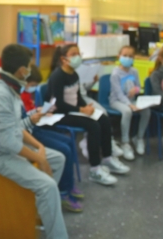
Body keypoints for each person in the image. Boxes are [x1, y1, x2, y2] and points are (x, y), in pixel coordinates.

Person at [0, 44, 69, 239]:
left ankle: (37, 213)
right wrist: (40, 160)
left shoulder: (8, 88)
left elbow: (16, 127)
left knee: (58, 159)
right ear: (21, 71)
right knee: (48, 186)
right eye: (29, 65)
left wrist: (40, 148)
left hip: (8, 146)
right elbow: (9, 143)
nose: (30, 69)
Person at [45, 44, 130, 186]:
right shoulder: (57, 76)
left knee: (103, 119)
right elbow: (58, 104)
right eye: (73, 54)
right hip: (59, 113)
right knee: (93, 126)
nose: (77, 57)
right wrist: (81, 110)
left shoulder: (74, 74)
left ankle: (107, 159)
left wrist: (85, 107)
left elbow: (77, 96)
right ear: (63, 59)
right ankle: (95, 169)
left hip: (73, 110)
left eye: (78, 53)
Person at [20, 65, 84, 213]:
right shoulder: (18, 94)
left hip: (34, 127)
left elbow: (28, 112)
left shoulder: (26, 94)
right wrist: (36, 113)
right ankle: (63, 193)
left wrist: (40, 111)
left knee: (68, 141)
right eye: (32, 85)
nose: (33, 88)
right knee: (64, 149)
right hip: (29, 132)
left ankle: (68, 184)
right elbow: (22, 120)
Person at [110, 45, 151, 161]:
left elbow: (138, 86)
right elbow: (118, 94)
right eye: (125, 55)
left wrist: (136, 90)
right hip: (116, 101)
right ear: (119, 56)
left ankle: (139, 138)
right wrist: (130, 104)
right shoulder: (115, 74)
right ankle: (125, 142)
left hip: (132, 100)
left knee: (146, 111)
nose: (127, 58)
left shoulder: (134, 71)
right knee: (127, 112)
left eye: (130, 56)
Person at [78, 74, 123, 159]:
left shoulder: (79, 72)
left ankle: (109, 142)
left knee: (103, 114)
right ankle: (87, 143)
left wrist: (93, 81)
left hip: (84, 98)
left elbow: (84, 88)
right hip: (76, 101)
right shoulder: (63, 75)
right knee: (93, 118)